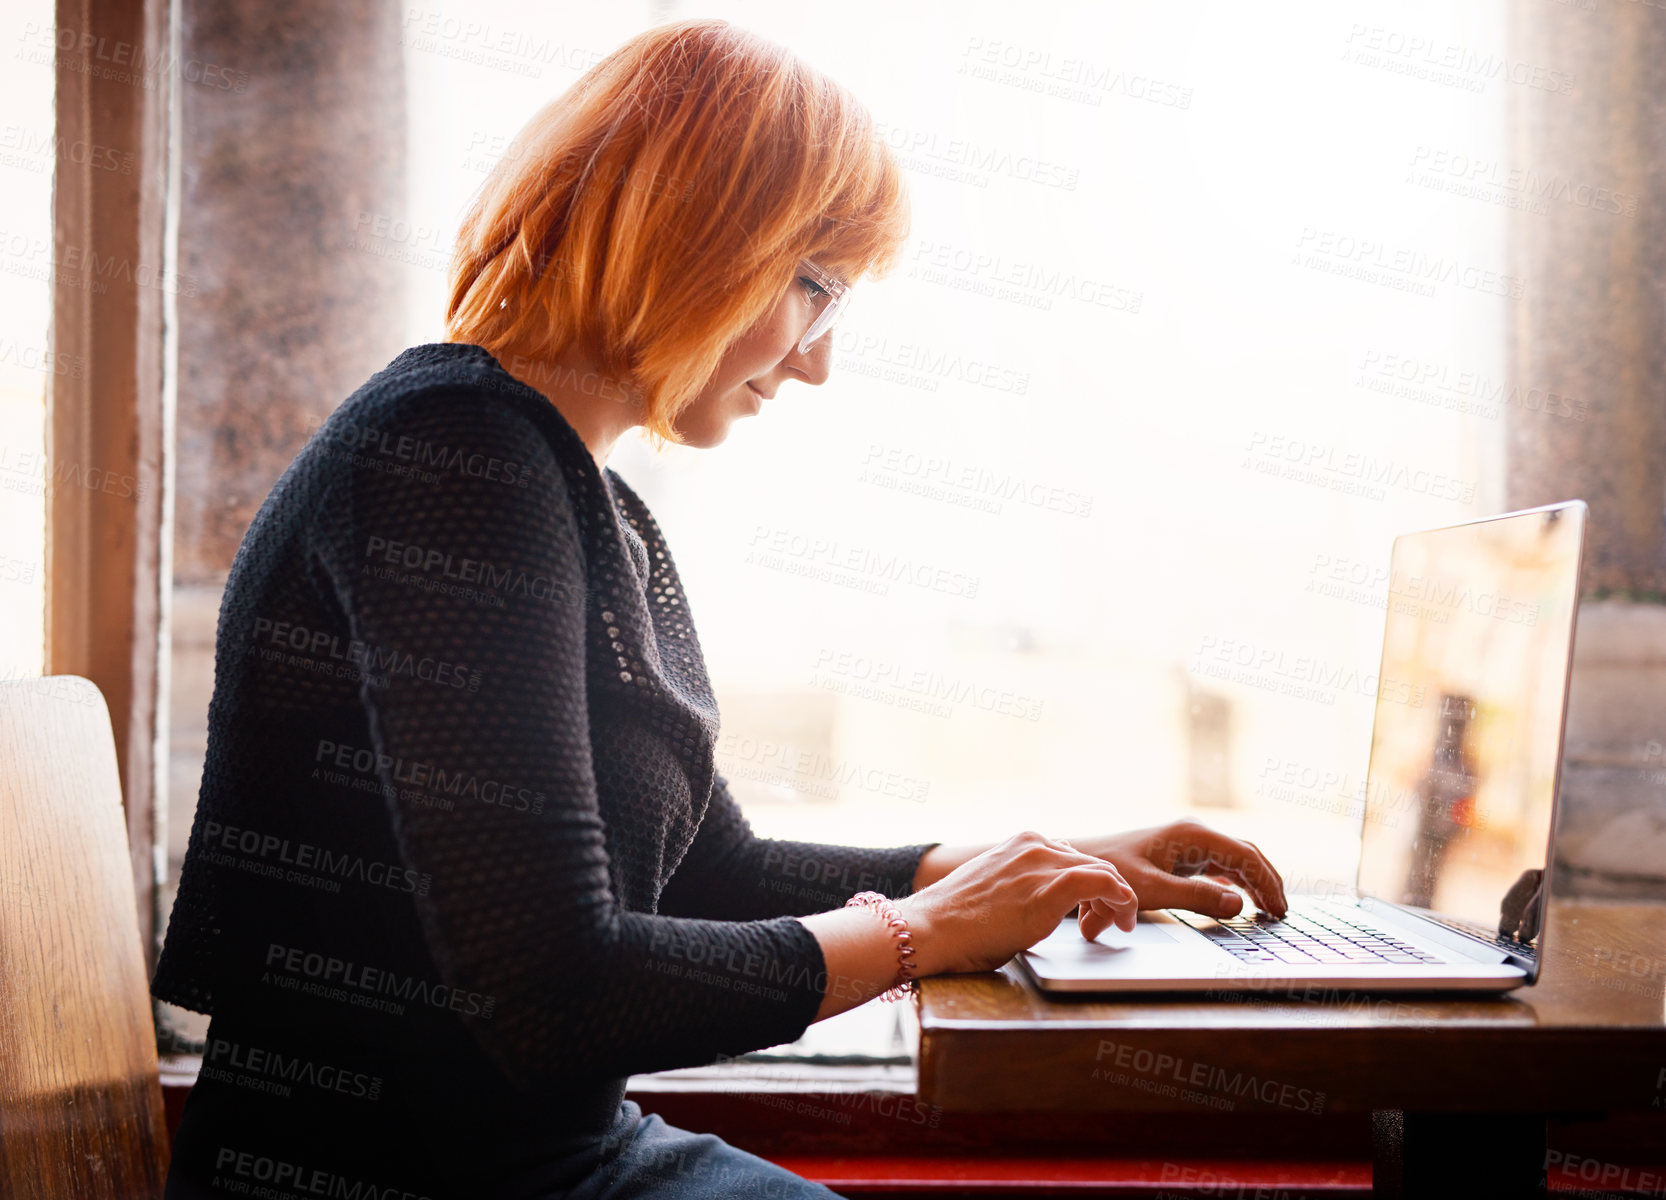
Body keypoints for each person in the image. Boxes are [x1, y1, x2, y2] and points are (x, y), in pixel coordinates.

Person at [153, 18, 1287, 1199]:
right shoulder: (454, 459)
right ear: (691, 235)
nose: (816, 364)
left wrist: (1034, 866)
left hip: (553, 1159)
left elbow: (714, 870)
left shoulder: (572, 489)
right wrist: (930, 934)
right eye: (816, 288)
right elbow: (554, 992)